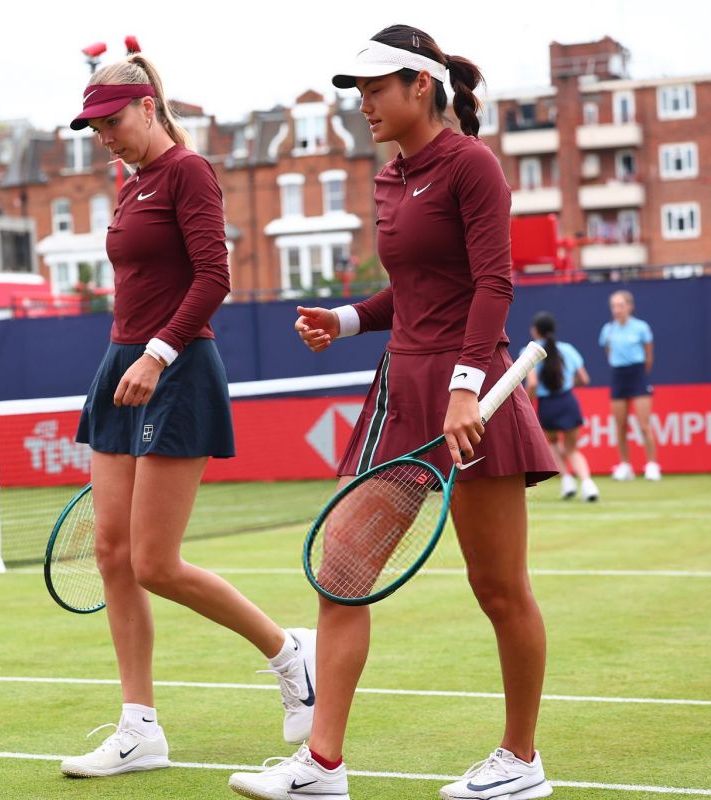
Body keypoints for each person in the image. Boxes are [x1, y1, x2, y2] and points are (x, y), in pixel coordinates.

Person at [228, 25, 557, 800]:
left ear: (421, 85)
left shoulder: (472, 165)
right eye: (359, 92)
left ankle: (521, 760)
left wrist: (468, 386)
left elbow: (492, 284)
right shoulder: (390, 177)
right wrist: (343, 320)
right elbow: (409, 291)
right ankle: (322, 766)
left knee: (499, 588)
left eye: (376, 89)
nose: (365, 105)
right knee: (341, 569)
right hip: (401, 393)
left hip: (469, 394)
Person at [59, 54, 317, 779]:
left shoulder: (188, 172)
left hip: (174, 370)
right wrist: (131, 357)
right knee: (111, 556)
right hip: (119, 367)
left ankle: (289, 652)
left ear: (147, 107)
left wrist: (160, 353)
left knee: (155, 563)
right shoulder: (132, 181)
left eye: (112, 120)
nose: (103, 136)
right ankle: (139, 727)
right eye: (94, 126)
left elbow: (215, 276)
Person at [526, 312, 599, 502]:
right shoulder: (567, 349)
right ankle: (588, 485)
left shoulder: (531, 351)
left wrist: (526, 402)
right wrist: (568, 385)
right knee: (572, 449)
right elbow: (584, 379)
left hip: (548, 405)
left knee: (553, 444)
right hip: (568, 401)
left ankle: (567, 480)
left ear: (535, 331)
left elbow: (532, 384)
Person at [599, 290, 660, 481]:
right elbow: (609, 352)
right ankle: (625, 466)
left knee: (644, 424)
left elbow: (649, 355)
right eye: (614, 306)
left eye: (620, 305)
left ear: (629, 306)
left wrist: (641, 373)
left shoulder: (641, 327)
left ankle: (651, 465)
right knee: (620, 425)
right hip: (619, 375)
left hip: (638, 374)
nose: (616, 310)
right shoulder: (607, 330)